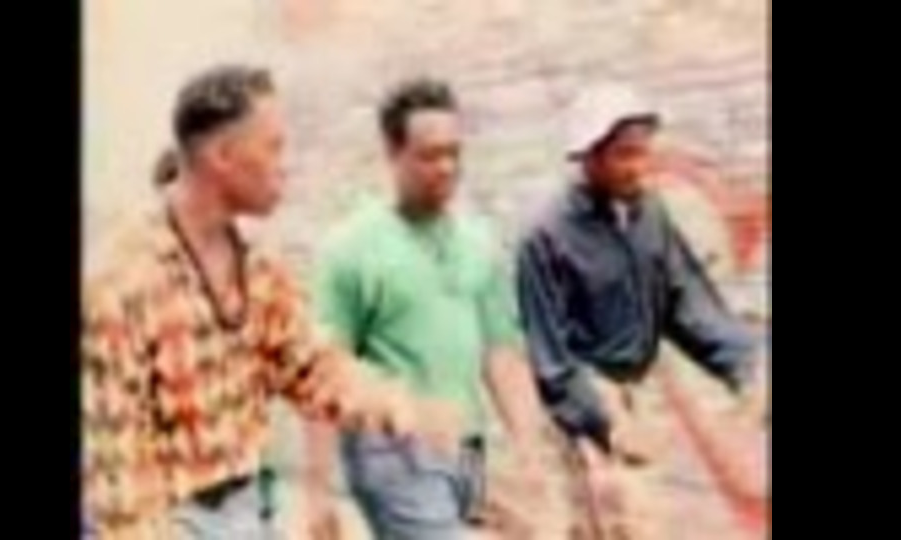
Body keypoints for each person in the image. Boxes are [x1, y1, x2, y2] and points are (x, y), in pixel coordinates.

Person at [82, 65, 459, 540]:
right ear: (223, 155)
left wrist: (395, 405)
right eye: (273, 147)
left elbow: (311, 368)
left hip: (249, 509)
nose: (286, 165)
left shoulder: (258, 265)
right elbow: (118, 480)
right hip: (168, 519)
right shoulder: (121, 279)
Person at [515, 82, 766, 539]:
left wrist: (747, 368)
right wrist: (606, 422)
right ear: (589, 155)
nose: (637, 167)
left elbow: (688, 304)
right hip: (581, 412)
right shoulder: (545, 235)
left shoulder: (649, 215)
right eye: (624, 155)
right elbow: (551, 363)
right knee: (612, 525)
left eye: (643, 153)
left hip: (638, 396)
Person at [304, 78, 552, 540]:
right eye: (430, 155)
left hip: (466, 448)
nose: (447, 167)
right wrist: (317, 492)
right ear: (392, 153)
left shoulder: (478, 242)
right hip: (392, 450)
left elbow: (502, 353)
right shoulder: (350, 250)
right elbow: (325, 371)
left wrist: (529, 449)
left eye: (454, 153)